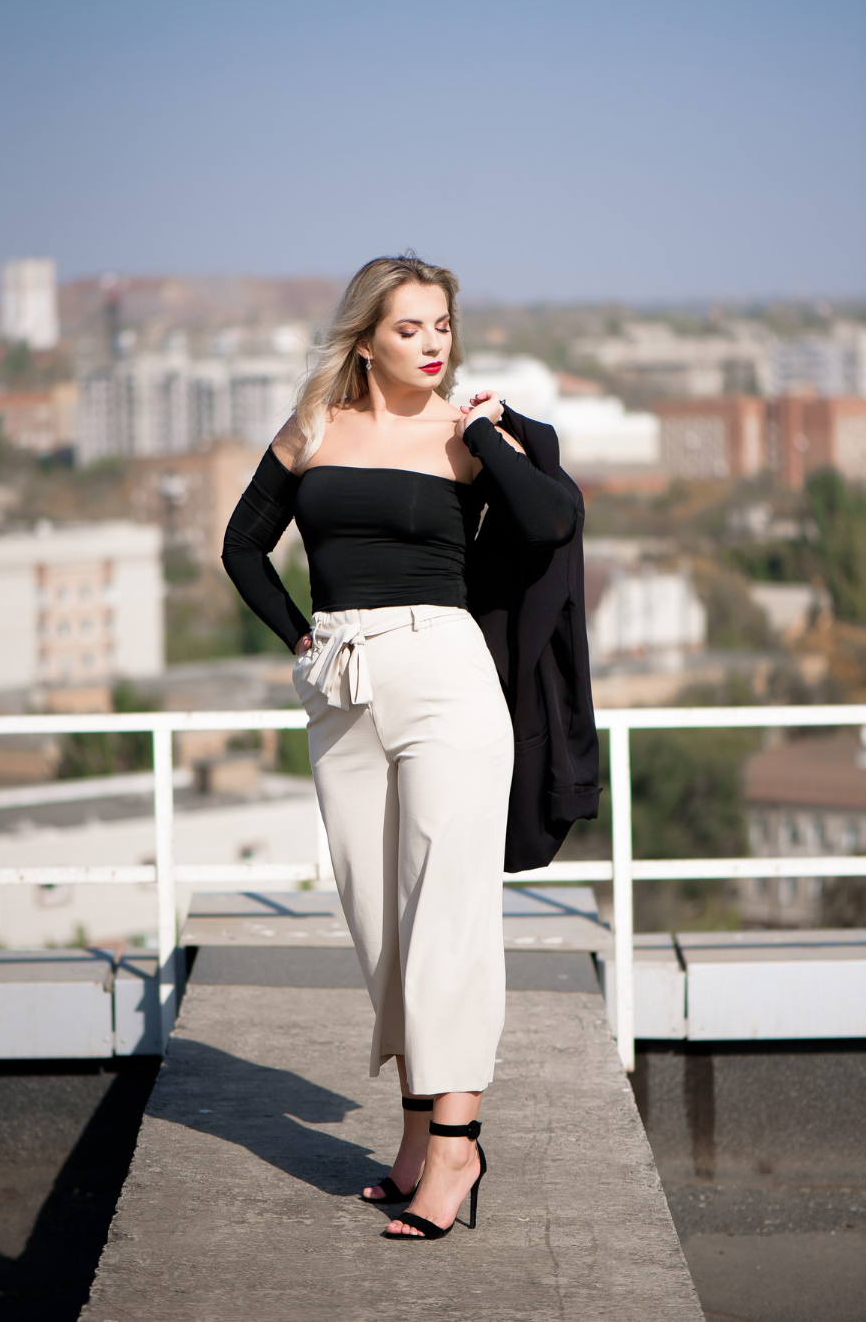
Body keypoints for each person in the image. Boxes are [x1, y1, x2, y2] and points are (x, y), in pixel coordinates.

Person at [222, 254, 576, 1241]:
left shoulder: (467, 435)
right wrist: (298, 635)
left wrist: (485, 436)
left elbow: (552, 521)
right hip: (339, 682)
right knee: (380, 921)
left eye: (441, 327)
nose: (430, 345)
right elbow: (242, 546)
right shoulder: (314, 426)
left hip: (443, 676)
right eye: (408, 328)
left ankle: (457, 1145)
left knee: (446, 912)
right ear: (367, 339)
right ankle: (418, 1133)